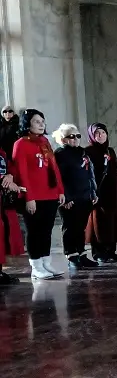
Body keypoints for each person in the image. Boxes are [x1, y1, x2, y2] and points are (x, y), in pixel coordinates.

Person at [9, 110, 65, 280]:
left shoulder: (44, 142)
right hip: (33, 196)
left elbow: (53, 168)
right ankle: (36, 266)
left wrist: (60, 190)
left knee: (46, 231)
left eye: (42, 121)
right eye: (36, 121)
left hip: (49, 194)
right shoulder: (20, 144)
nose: (41, 124)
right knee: (34, 231)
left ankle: (46, 262)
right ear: (27, 124)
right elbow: (22, 173)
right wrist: (29, 197)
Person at [52, 124, 99, 272]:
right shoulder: (59, 154)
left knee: (81, 227)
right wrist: (66, 197)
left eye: (78, 136)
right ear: (63, 139)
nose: (76, 139)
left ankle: (81, 253)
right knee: (70, 227)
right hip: (69, 198)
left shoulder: (82, 152)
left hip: (84, 196)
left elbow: (89, 173)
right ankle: (71, 255)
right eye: (71, 136)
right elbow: (58, 178)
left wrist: (93, 193)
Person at [85, 123, 117, 263]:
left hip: (113, 192)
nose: (101, 135)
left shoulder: (110, 151)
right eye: (97, 133)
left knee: (113, 221)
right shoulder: (88, 151)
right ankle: (99, 252)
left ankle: (111, 251)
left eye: (103, 132)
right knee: (98, 222)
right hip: (99, 192)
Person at [0, 146, 26, 287]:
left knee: (4, 235)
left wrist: (10, 176)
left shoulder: (2, 151)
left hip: (3, 200)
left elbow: (10, 167)